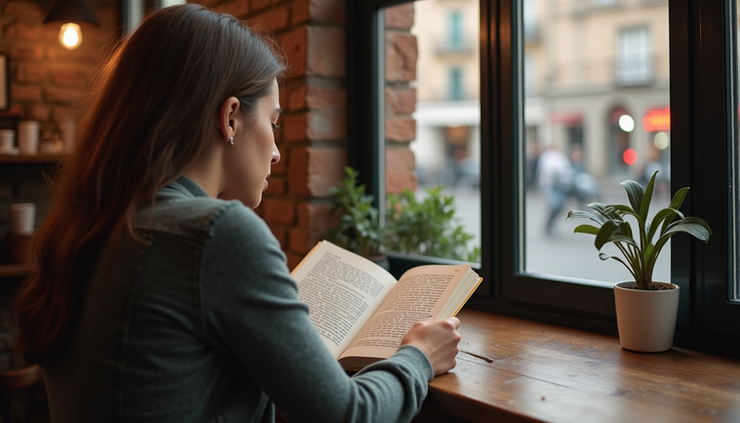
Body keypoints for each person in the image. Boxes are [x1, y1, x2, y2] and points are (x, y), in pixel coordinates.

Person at [12, 5, 462, 423]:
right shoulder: (214, 234)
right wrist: (418, 355)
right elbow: (346, 414)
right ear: (230, 118)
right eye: (275, 122)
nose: (278, 153)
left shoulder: (91, 226)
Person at [537, 143, 574, 235]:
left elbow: (567, 170)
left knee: (560, 206)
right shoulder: (546, 157)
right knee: (554, 204)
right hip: (550, 185)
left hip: (561, 186)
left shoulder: (561, 157)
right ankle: (548, 224)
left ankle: (551, 223)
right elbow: (543, 171)